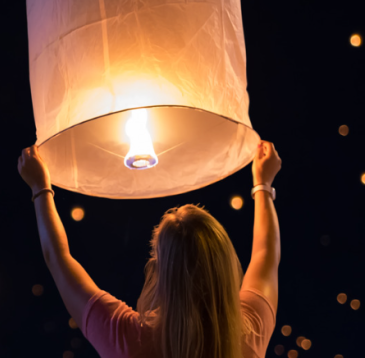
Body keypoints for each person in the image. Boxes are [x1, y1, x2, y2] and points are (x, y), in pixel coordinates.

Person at [18, 140, 282, 358]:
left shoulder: (127, 339)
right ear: (225, 263)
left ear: (158, 270)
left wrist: (40, 188)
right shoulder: (250, 330)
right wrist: (263, 184)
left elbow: (59, 259)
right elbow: (266, 256)